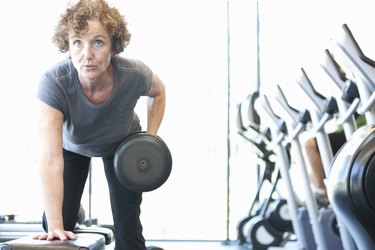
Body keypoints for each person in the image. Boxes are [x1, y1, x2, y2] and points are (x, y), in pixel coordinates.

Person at [32, 0, 166, 249]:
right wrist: (55, 225)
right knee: (60, 225)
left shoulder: (133, 73)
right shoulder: (54, 82)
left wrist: (150, 139)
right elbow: (50, 158)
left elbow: (158, 92)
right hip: (73, 146)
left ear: (114, 45)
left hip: (122, 145)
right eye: (77, 43)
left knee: (129, 234)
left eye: (98, 42)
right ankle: (74, 212)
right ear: (68, 46)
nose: (87, 55)